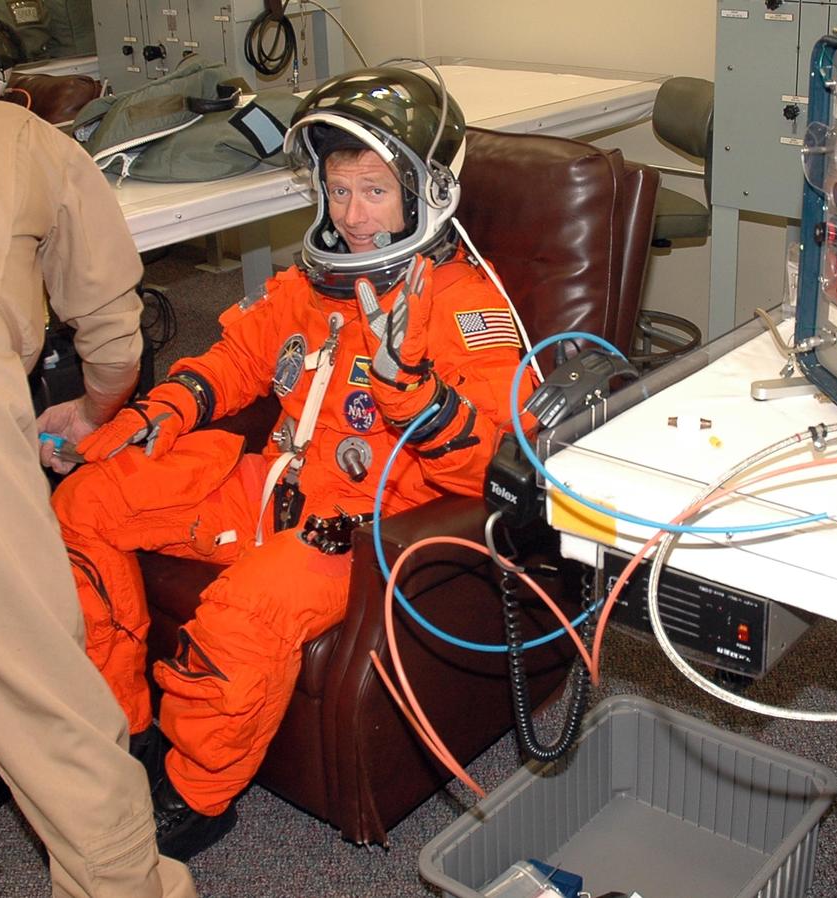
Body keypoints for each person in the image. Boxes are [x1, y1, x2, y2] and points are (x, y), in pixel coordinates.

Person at [51, 66, 537, 858]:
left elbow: (488, 470)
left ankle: (198, 794)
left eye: (375, 192)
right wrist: (169, 407)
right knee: (86, 504)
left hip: (363, 531)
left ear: (425, 193)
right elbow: (240, 353)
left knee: (244, 615)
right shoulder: (315, 281)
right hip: (269, 486)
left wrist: (412, 396)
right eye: (339, 191)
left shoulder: (468, 308)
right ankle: (126, 727)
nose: (352, 217)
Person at [0, 62, 196, 898]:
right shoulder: (19, 138)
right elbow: (110, 324)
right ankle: (123, 883)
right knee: (33, 664)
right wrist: (97, 409)